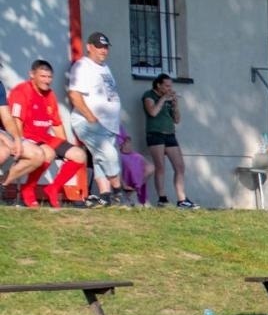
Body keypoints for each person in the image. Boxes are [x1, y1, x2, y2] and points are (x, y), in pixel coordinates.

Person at [6, 59, 90, 209]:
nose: (47, 81)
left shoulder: (50, 94)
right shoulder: (21, 91)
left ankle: (53, 189)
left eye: (49, 77)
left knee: (79, 155)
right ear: (32, 75)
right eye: (43, 76)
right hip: (27, 136)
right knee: (48, 153)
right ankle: (28, 190)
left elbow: (56, 124)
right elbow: (16, 121)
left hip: (44, 137)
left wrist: (65, 147)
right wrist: (19, 141)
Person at [67, 32, 127, 206]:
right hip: (89, 122)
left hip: (108, 124)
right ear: (89, 47)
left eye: (105, 47)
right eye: (99, 47)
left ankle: (105, 196)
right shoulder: (82, 66)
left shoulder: (105, 68)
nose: (103, 50)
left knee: (100, 158)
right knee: (109, 155)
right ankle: (118, 193)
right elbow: (74, 94)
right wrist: (89, 116)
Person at [141, 73, 193, 208]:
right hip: (155, 134)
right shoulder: (149, 95)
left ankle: (182, 200)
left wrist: (175, 105)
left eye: (171, 86)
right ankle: (162, 199)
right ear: (158, 85)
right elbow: (152, 112)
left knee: (180, 166)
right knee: (160, 167)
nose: (170, 88)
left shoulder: (169, 98)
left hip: (170, 134)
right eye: (167, 86)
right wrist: (163, 99)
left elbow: (177, 119)